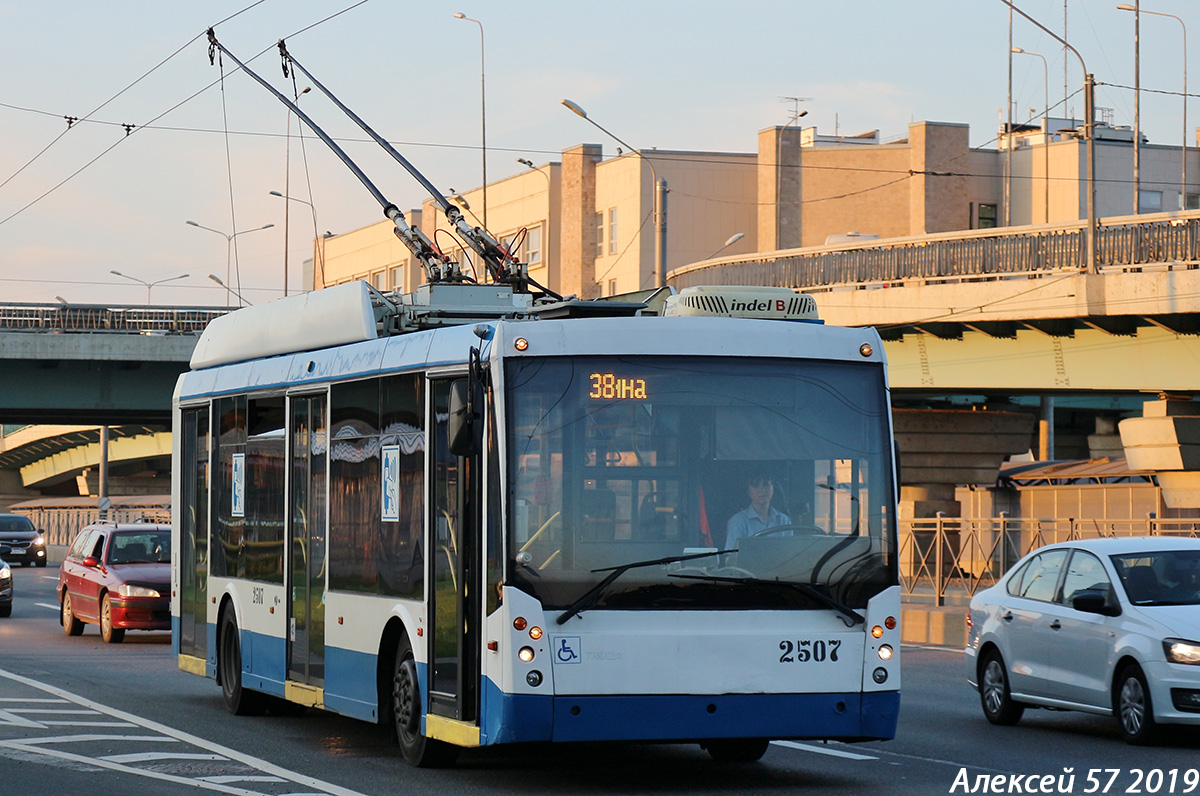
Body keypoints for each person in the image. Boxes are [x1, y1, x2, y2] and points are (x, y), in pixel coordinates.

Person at [725, 472, 791, 549]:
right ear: (748, 491)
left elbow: (792, 552)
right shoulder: (737, 522)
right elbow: (731, 555)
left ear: (772, 488)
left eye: (766, 484)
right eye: (756, 485)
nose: (762, 489)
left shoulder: (784, 520)